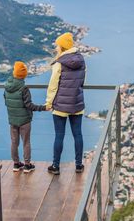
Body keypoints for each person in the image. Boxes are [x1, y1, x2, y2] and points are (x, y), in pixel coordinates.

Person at [45, 32, 86, 175]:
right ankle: (79, 165)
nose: (56, 48)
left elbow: (53, 85)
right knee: (78, 135)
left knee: (59, 136)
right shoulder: (81, 60)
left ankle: (56, 166)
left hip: (60, 105)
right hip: (76, 102)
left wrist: (49, 102)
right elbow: (81, 82)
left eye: (57, 45)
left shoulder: (59, 63)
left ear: (62, 47)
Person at [4, 61, 47, 173]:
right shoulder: (24, 89)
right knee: (26, 142)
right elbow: (29, 105)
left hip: (12, 119)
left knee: (14, 142)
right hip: (24, 120)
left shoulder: (7, 87)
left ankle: (16, 164)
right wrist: (43, 108)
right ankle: (27, 165)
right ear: (24, 75)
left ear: (14, 73)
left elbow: (7, 103)